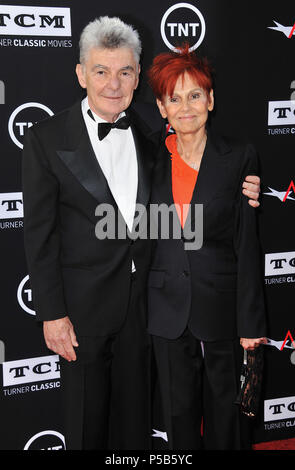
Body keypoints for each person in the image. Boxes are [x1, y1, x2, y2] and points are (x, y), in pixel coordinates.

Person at [22, 16, 261, 450]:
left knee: (136, 424)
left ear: (136, 78)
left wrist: (246, 188)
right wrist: (51, 314)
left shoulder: (152, 131)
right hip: (81, 312)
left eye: (125, 72)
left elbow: (204, 177)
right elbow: (40, 235)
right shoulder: (45, 138)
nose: (113, 83)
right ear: (80, 74)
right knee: (86, 425)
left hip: (143, 308)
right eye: (101, 71)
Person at [147, 44, 267, 450]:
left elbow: (247, 244)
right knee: (178, 421)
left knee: (227, 421)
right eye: (174, 98)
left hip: (223, 309)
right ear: (161, 108)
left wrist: (251, 326)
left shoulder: (239, 158)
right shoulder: (147, 161)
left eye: (194, 95)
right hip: (164, 310)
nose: (185, 107)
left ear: (211, 100)